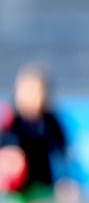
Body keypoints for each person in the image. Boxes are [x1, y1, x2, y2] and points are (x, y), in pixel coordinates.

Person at [0, 63, 81, 203]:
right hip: (15, 193)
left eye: (34, 91)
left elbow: (65, 156)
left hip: (43, 190)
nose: (28, 96)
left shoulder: (52, 123)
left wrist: (68, 180)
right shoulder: (10, 121)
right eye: (24, 90)